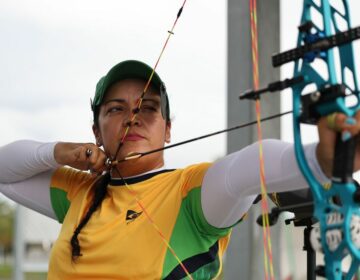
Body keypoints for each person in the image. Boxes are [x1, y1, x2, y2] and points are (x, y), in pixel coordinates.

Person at [1, 60, 360, 279]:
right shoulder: (80, 192)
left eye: (149, 108)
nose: (133, 118)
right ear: (96, 131)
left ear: (168, 129)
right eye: (115, 109)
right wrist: (59, 151)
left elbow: (248, 168)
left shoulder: (187, 194)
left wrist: (324, 161)